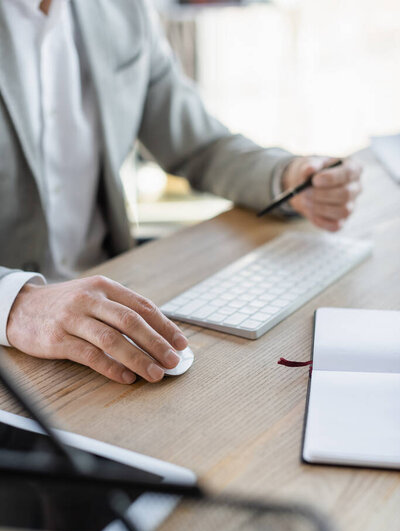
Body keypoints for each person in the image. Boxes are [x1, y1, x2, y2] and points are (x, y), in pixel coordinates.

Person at [0, 0, 362, 384]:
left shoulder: (123, 10)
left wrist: (287, 178)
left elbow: (199, 143)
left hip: (111, 308)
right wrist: (16, 303)